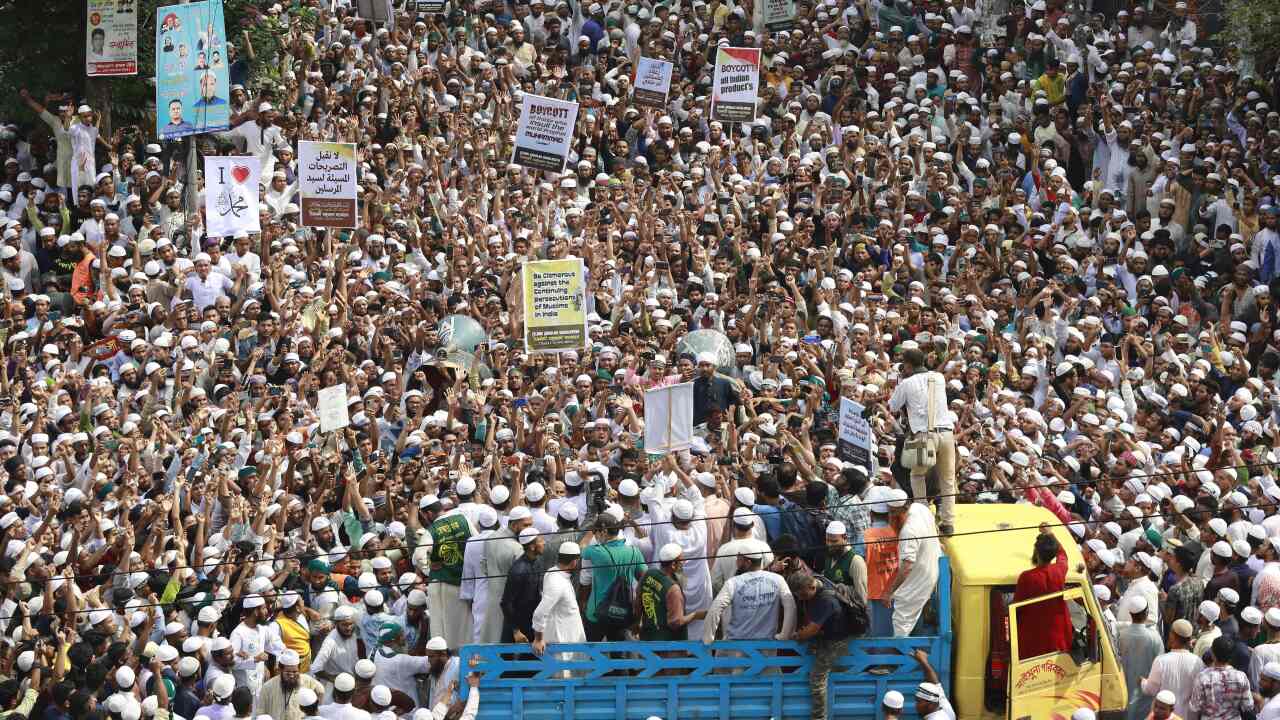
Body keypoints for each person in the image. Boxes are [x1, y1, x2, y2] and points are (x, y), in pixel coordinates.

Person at [887, 348, 956, 535]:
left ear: (907, 365)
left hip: (924, 436)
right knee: (948, 479)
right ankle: (948, 522)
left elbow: (892, 406)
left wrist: (901, 381)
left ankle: (924, 516)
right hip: (947, 433)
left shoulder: (907, 383)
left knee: (917, 475)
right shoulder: (939, 378)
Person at [787, 571, 850, 720]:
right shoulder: (818, 581)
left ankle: (819, 717)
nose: (801, 599)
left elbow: (812, 629)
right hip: (826, 636)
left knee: (817, 678)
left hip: (836, 640)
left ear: (811, 587)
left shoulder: (826, 599)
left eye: (803, 596)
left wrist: (798, 635)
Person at [703, 548, 796, 644]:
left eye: (739, 559)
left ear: (748, 562)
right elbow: (791, 607)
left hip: (735, 647)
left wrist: (708, 638)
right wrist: (784, 635)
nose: (736, 562)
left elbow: (715, 609)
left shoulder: (733, 583)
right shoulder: (778, 580)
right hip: (767, 648)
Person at [580, 512, 646, 641]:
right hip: (623, 612)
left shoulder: (597, 552)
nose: (595, 535)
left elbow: (581, 547)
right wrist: (638, 616)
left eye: (595, 532)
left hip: (596, 613)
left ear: (603, 532)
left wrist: (588, 533)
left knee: (592, 654)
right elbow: (644, 579)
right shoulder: (634, 551)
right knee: (618, 656)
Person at [1013, 524, 1074, 658]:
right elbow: (1063, 555)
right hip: (1059, 638)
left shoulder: (1027, 577)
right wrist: (1051, 534)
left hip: (1032, 641)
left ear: (1036, 551)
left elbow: (1016, 608)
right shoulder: (1059, 570)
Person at [886, 489, 941, 638]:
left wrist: (890, 591)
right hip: (931, 569)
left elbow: (907, 567)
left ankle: (898, 658)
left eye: (892, 514)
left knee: (901, 622)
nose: (890, 518)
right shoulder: (920, 508)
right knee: (915, 618)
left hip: (920, 577)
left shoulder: (908, 531)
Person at [531, 542, 588, 673]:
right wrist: (538, 639)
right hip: (562, 648)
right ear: (574, 562)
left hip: (571, 647)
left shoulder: (557, 575)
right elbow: (540, 613)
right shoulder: (556, 581)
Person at [636, 543, 707, 641]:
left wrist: (637, 624)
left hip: (647, 639)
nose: (684, 562)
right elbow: (675, 622)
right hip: (668, 647)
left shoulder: (648, 574)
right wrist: (695, 615)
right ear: (673, 565)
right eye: (681, 560)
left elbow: (638, 604)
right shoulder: (673, 589)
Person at [1140, 619, 1205, 720]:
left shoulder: (1161, 661)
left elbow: (1151, 690)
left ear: (1172, 636)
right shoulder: (1198, 662)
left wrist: (1143, 682)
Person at [1118, 596, 1164, 720]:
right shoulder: (1154, 638)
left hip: (1124, 691)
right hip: (1145, 695)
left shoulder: (1121, 635)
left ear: (1130, 614)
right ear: (1147, 613)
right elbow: (1160, 666)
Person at [1188, 636, 1255, 720]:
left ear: (1212, 654)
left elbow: (1195, 707)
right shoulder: (1241, 677)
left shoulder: (1203, 677)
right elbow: (1248, 705)